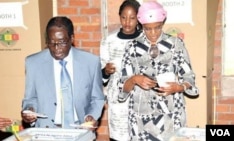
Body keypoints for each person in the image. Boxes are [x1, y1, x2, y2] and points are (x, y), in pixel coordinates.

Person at [118, 1, 199, 141]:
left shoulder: (175, 45)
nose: (153, 33)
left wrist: (178, 87)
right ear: (141, 24)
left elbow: (189, 78)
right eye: (148, 29)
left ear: (163, 23)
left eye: (158, 27)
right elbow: (122, 88)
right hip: (141, 120)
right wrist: (134, 79)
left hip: (172, 116)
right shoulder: (131, 47)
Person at [21, 16, 105, 131]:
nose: (56, 48)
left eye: (61, 43)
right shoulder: (33, 63)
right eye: (51, 42)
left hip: (80, 130)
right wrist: (30, 110)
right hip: (46, 131)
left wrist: (91, 116)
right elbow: (30, 98)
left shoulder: (91, 62)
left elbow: (97, 98)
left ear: (71, 38)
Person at [100, 0, 142, 140]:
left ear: (138, 19)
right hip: (118, 102)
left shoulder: (145, 40)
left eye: (132, 18)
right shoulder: (109, 41)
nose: (127, 22)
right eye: (123, 17)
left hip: (141, 99)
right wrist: (106, 71)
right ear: (119, 17)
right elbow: (101, 77)